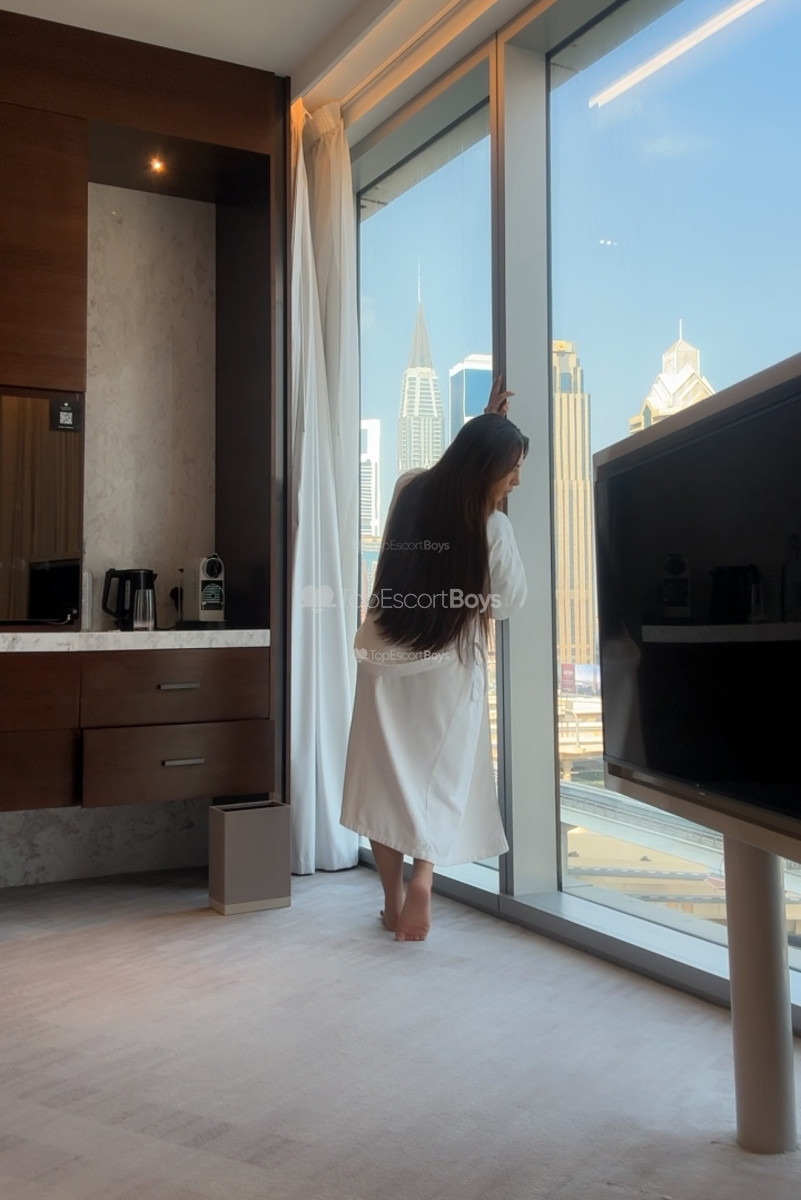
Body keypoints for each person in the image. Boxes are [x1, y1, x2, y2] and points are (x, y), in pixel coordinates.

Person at [340, 378, 528, 942]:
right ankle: (423, 877)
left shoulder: (408, 490)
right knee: (441, 776)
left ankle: (392, 901)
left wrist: (485, 427)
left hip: (383, 657)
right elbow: (510, 602)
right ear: (486, 469)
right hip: (447, 667)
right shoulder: (492, 526)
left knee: (382, 778)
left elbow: (447, 474)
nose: (516, 482)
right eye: (512, 470)